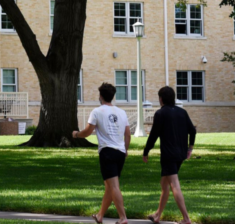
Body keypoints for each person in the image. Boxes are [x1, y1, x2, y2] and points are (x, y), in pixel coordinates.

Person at [73, 83, 131, 224]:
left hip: (107, 152)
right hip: (120, 153)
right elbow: (128, 134)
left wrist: (76, 134)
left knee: (113, 186)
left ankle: (123, 217)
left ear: (101, 96)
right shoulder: (122, 112)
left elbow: (87, 132)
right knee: (109, 187)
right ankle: (100, 216)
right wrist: (125, 150)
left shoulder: (97, 112)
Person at [143, 86, 196, 224]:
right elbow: (193, 131)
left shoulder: (161, 114)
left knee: (174, 185)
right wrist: (190, 148)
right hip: (180, 154)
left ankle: (186, 218)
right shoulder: (182, 112)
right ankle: (157, 215)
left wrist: (146, 151)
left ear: (161, 99)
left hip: (168, 155)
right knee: (164, 183)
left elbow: (153, 135)